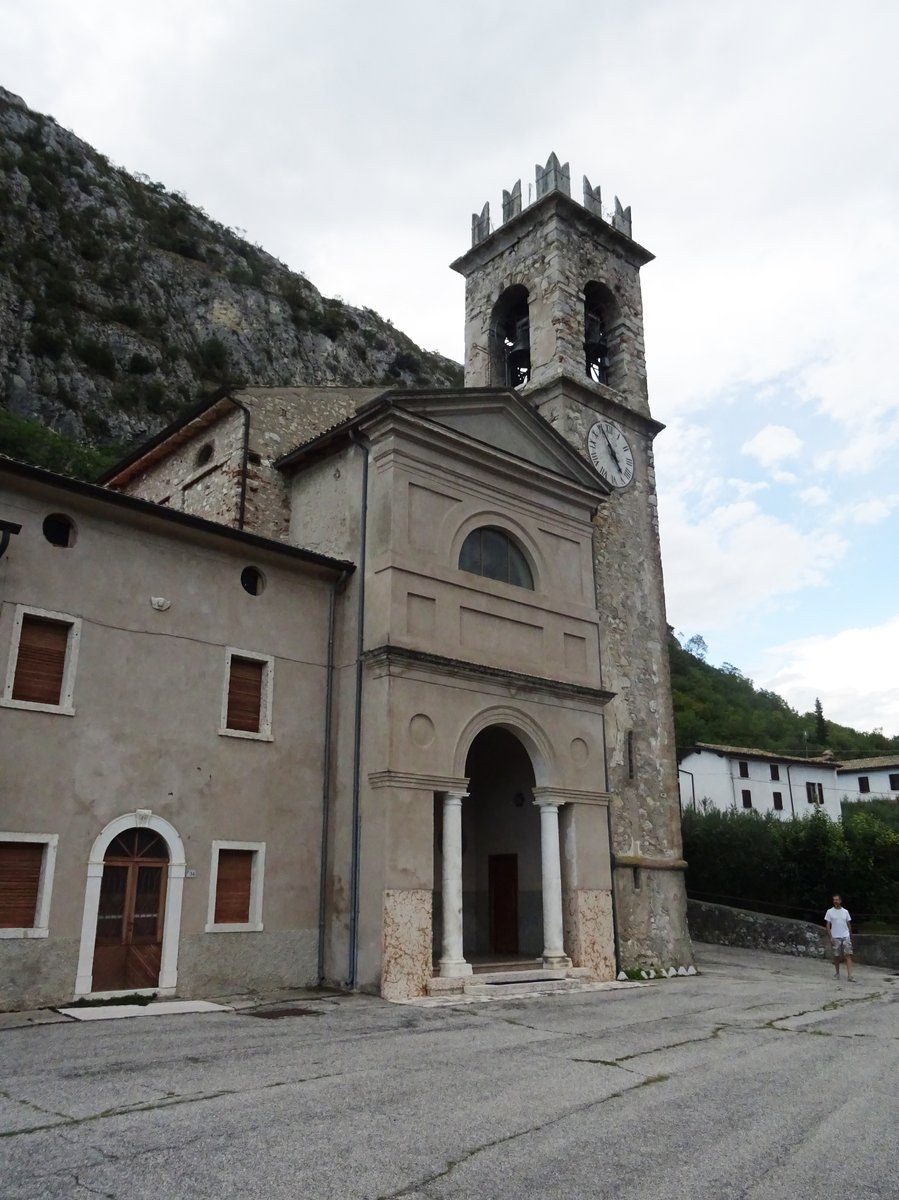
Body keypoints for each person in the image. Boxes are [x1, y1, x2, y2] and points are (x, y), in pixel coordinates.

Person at [824, 895, 855, 981]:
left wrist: (850, 934)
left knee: (848, 955)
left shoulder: (845, 912)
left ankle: (850, 975)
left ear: (840, 901)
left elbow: (848, 923)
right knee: (836, 956)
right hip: (835, 936)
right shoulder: (829, 911)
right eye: (834, 900)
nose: (835, 901)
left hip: (845, 935)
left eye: (837, 900)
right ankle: (837, 973)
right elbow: (828, 925)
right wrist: (830, 937)